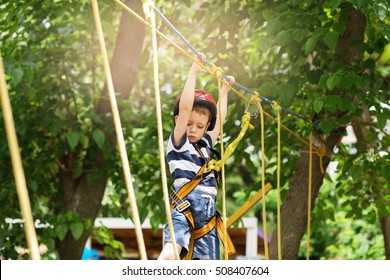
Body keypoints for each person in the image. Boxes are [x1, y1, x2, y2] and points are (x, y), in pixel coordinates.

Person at [158, 53, 235, 260]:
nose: (193, 129)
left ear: (206, 127)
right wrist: (194, 70)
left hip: (207, 216)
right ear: (179, 121)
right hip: (184, 208)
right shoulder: (179, 141)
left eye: (200, 126)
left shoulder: (205, 146)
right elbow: (185, 107)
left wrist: (225, 92)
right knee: (172, 253)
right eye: (188, 123)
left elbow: (219, 122)